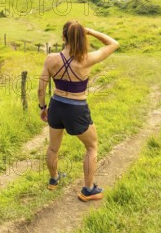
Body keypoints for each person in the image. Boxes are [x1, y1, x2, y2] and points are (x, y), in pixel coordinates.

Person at [38, 21, 119, 202]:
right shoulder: (87, 59)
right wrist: (90, 31)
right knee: (91, 147)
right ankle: (88, 190)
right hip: (77, 109)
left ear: (63, 37)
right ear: (82, 37)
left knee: (53, 147)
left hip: (56, 105)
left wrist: (43, 108)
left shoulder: (51, 58)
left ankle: (53, 180)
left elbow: (41, 89)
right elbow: (114, 43)